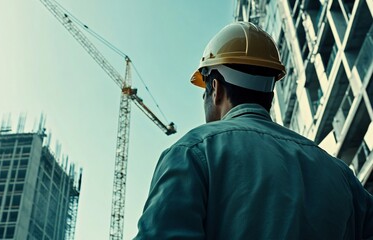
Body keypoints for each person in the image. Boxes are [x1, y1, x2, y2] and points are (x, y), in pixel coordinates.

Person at [134, 22, 373, 239]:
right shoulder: (341, 175)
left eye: (204, 91)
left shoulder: (192, 154)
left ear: (215, 88)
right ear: (269, 93)